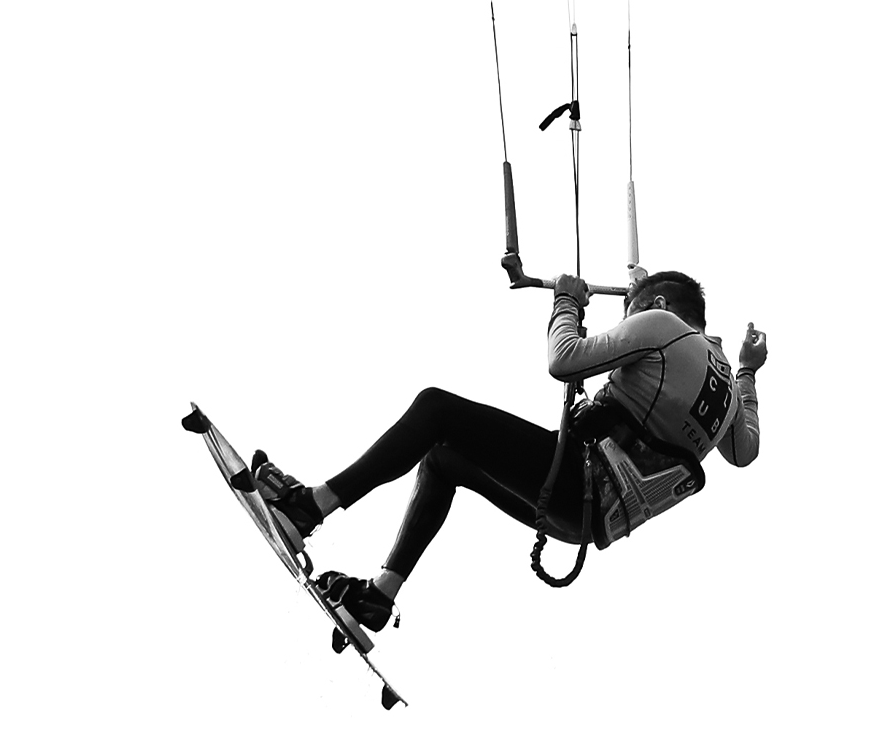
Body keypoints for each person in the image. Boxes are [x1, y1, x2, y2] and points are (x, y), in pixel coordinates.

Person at [252, 270, 766, 631]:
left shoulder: (662, 327)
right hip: (588, 522)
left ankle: (307, 507)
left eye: (629, 315)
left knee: (435, 409)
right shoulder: (721, 390)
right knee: (443, 458)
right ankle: (378, 597)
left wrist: (566, 302)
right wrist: (748, 371)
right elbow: (745, 453)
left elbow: (564, 360)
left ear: (658, 308)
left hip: (578, 484)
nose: (625, 327)